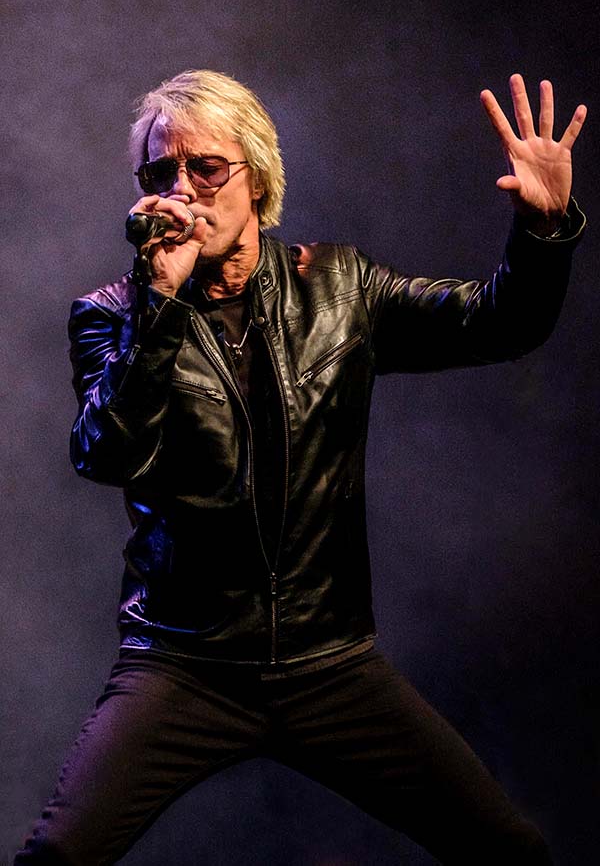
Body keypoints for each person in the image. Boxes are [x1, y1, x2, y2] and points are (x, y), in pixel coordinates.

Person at [16, 70, 586, 865]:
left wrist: (543, 229)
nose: (183, 189)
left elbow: (500, 325)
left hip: (330, 663)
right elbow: (105, 451)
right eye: (160, 172)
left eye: (205, 166)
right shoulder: (113, 313)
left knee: (510, 849)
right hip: (185, 664)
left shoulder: (341, 287)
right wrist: (160, 303)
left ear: (255, 176)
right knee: (57, 856)